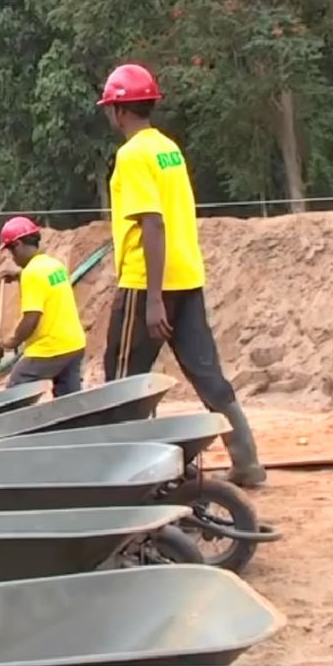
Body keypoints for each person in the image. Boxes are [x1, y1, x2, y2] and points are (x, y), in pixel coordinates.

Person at [96, 62, 266, 488]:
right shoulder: (168, 148)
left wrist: (153, 299)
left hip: (146, 281)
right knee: (205, 369)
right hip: (187, 275)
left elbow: (151, 223)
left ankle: (130, 470)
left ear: (118, 110)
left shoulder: (132, 154)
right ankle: (246, 459)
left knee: (123, 380)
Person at [0, 217, 86, 397]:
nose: (13, 257)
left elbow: (31, 319)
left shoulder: (31, 274)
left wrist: (8, 343)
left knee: (16, 389)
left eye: (11, 251)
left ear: (17, 244)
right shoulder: (54, 265)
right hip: (74, 345)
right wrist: (19, 275)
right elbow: (44, 283)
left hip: (50, 349)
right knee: (70, 402)